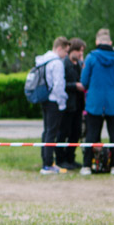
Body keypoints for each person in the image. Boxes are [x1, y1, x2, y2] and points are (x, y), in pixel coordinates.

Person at [79, 29, 114, 175]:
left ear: (97, 42)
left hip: (95, 102)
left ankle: (87, 165)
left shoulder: (91, 58)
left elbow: (84, 81)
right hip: (112, 102)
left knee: (91, 134)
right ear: (110, 43)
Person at [36, 37, 69, 175]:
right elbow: (58, 85)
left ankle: (45, 161)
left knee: (46, 131)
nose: (66, 54)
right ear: (59, 48)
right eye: (65, 51)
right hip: (54, 101)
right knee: (52, 132)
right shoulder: (57, 63)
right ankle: (48, 165)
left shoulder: (43, 59)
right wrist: (63, 101)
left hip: (44, 99)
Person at [59, 38, 86, 171]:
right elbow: (61, 84)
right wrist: (75, 86)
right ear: (72, 50)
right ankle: (60, 159)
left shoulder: (80, 64)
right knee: (64, 132)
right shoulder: (64, 64)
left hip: (78, 106)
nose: (81, 53)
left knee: (76, 132)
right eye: (79, 51)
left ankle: (71, 158)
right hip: (67, 105)